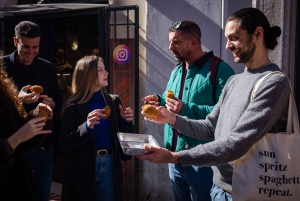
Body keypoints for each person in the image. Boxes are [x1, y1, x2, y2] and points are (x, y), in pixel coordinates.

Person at [137, 7, 289, 201]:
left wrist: (176, 156)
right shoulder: (234, 81)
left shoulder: (274, 82)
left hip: (247, 192)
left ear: (258, 34)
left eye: (233, 38)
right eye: (227, 39)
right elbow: (210, 126)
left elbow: (237, 143)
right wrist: (171, 118)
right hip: (219, 190)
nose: (227, 46)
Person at [140, 20, 235, 200]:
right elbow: (173, 101)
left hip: (204, 161)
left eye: (176, 42)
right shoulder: (177, 69)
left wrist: (186, 108)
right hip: (174, 157)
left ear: (193, 41)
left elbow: (227, 113)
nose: (170, 47)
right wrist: (159, 101)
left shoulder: (220, 69)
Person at [59, 55, 134, 201]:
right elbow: (63, 144)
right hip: (83, 166)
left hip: (109, 162)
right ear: (88, 75)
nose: (106, 73)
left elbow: (124, 137)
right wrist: (86, 126)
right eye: (100, 70)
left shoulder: (112, 100)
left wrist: (126, 122)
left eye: (104, 69)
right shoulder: (72, 106)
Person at [3, 21, 62, 201]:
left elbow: (58, 101)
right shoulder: (2, 67)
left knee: (42, 197)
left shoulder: (47, 67)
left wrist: (52, 104)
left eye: (35, 47)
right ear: (15, 41)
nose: (31, 52)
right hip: (16, 147)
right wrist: (18, 100)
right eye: (26, 47)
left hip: (44, 145)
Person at [0, 53, 53, 201]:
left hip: (19, 181)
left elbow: (23, 138)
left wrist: (37, 116)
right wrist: (18, 137)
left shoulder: (3, 88)